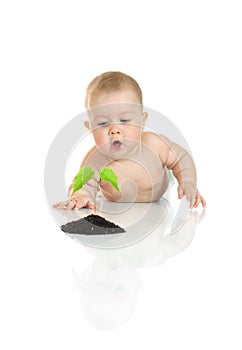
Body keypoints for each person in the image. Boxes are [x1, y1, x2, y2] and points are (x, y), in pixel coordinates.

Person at [53, 71, 206, 210]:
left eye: (125, 120)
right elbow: (79, 184)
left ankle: (172, 178)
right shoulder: (96, 159)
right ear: (90, 127)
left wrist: (188, 182)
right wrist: (80, 195)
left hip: (159, 192)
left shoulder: (154, 145)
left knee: (172, 168)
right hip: (119, 215)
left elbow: (182, 158)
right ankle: (97, 191)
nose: (114, 130)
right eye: (102, 123)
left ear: (142, 121)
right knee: (89, 183)